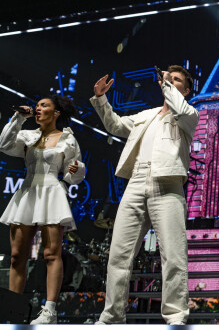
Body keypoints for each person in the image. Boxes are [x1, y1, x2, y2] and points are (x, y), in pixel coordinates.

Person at [90, 65, 199, 325]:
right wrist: (101, 99)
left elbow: (180, 107)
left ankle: (176, 316)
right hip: (137, 181)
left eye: (176, 80)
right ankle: (111, 317)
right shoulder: (146, 115)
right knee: (119, 255)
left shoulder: (188, 114)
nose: (169, 82)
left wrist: (167, 85)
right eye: (167, 78)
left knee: (173, 255)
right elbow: (114, 124)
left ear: (186, 89)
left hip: (168, 183)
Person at [0, 95, 85, 324]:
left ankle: (49, 311)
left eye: (43, 106)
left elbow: (72, 176)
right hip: (28, 191)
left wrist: (75, 169)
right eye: (36, 106)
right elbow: (4, 144)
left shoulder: (67, 138)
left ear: (56, 112)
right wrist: (18, 118)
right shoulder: (28, 135)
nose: (38, 109)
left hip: (51, 190)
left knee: (50, 253)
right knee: (17, 255)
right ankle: (13, 310)